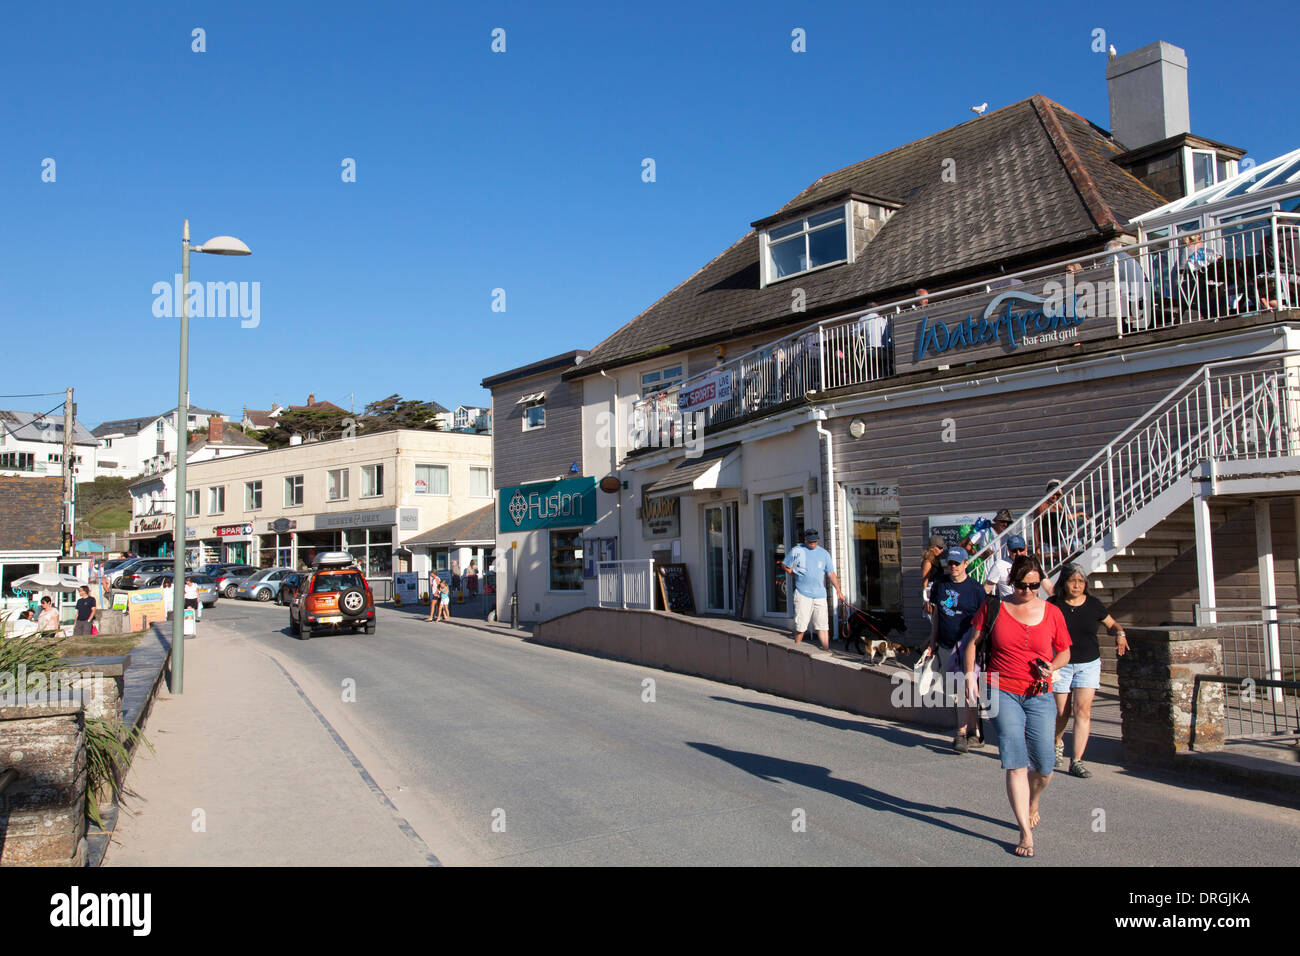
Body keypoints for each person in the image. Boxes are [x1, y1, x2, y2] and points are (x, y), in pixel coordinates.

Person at [964, 554, 1071, 858]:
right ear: (1012, 582)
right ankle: (1024, 831)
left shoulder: (1052, 613)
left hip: (1039, 692)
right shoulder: (995, 606)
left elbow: (1064, 652)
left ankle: (1033, 800)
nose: (1028, 591)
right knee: (1015, 761)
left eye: (1034, 585)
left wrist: (1051, 666)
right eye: (1023, 585)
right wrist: (971, 677)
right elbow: (974, 641)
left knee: (1046, 764)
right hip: (1001, 689)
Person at [1049, 564, 1127, 778]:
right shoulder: (1053, 605)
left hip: (1088, 663)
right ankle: (1057, 743)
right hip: (1061, 664)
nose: (1076, 585)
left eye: (1081, 581)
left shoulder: (1094, 605)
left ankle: (1077, 760)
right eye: (1072, 580)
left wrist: (1120, 634)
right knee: (1061, 711)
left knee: (1083, 710)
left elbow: (1112, 624)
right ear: (1064, 582)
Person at [923, 547, 985, 751]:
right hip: (946, 645)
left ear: (966, 563)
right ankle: (973, 731)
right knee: (960, 690)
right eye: (950, 563)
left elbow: (984, 621)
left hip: (968, 646)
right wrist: (932, 642)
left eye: (957, 563)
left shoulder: (976, 589)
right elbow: (937, 615)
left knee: (965, 689)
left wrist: (978, 645)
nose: (953, 567)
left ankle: (961, 733)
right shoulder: (940, 585)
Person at [781, 528, 844, 652]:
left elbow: (831, 573)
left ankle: (826, 649)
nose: (813, 544)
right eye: (810, 542)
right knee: (801, 625)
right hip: (802, 593)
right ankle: (796, 647)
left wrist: (838, 590)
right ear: (805, 540)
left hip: (820, 594)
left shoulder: (824, 554)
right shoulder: (797, 550)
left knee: (823, 625)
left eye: (815, 542)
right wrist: (793, 574)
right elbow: (785, 564)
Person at [984, 534, 1028, 599]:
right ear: (1008, 550)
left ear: (1026, 548)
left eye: (1021, 549)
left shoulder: (1033, 563)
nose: (1018, 553)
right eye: (1014, 551)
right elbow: (986, 590)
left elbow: (1048, 586)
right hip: (1008, 606)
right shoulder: (999, 565)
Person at [920, 534, 947, 617]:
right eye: (940, 548)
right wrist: (927, 600)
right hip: (931, 591)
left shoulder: (936, 560)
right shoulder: (928, 562)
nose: (942, 550)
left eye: (942, 548)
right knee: (934, 619)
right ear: (932, 547)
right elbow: (924, 581)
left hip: (939, 589)